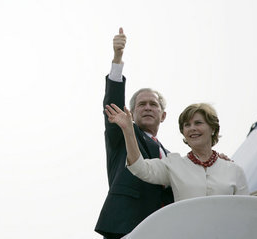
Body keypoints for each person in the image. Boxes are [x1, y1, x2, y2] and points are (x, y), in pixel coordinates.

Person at [94, 28, 174, 239]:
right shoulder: (123, 133)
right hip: (125, 227)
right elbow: (112, 104)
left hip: (162, 229)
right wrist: (117, 58)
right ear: (131, 112)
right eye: (141, 104)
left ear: (163, 115)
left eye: (153, 104)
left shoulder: (170, 156)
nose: (147, 107)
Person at [105, 102, 249, 201]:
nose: (192, 128)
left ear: (212, 128)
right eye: (187, 125)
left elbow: (244, 212)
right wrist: (128, 130)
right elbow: (139, 167)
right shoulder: (174, 165)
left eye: (198, 123)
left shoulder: (234, 170)